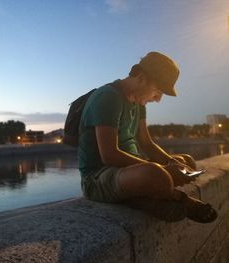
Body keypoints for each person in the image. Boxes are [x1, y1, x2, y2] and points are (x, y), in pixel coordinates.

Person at [78, 51, 217, 223]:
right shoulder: (108, 97)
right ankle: (180, 200)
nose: (158, 99)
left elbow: (146, 143)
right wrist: (162, 169)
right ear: (141, 78)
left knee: (186, 161)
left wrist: (173, 164)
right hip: (98, 177)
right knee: (155, 174)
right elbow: (109, 155)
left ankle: (139, 197)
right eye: (158, 90)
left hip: (128, 171)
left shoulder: (138, 102)